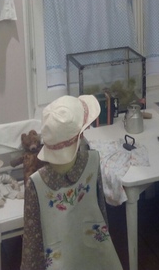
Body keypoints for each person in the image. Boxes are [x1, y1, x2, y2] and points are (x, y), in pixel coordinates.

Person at [20, 95, 122, 270]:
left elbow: (32, 241)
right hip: (95, 252)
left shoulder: (36, 183)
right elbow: (100, 213)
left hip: (58, 259)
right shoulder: (92, 161)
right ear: (81, 134)